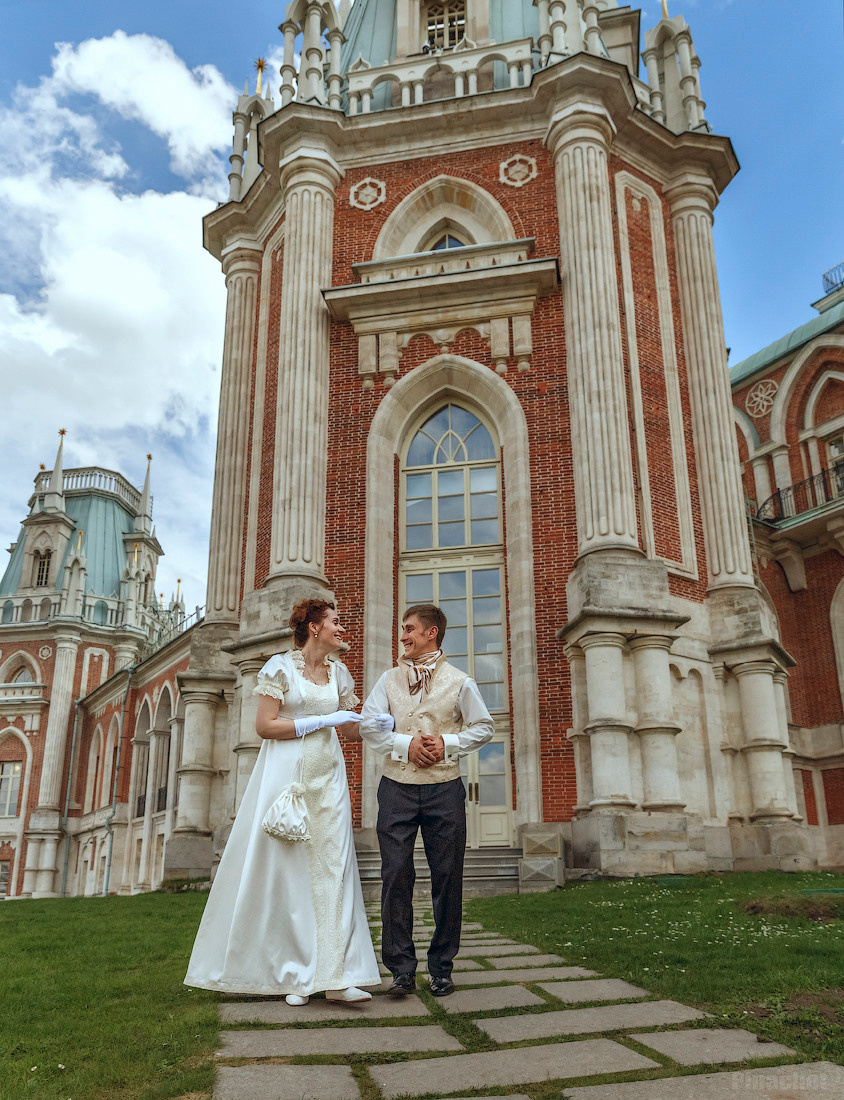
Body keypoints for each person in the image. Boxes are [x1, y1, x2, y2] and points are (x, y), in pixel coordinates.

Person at [184, 598, 380, 1005]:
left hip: (329, 780)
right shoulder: (279, 668)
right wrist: (321, 721)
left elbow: (348, 732)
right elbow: (265, 726)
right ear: (313, 627)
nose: (342, 628)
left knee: (335, 871)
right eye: (335, 622)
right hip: (287, 778)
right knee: (289, 874)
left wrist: (377, 725)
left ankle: (336, 977)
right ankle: (294, 975)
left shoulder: (340, 674)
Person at [360, 603, 494, 997]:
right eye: (403, 629)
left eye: (410, 629)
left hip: (445, 788)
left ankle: (442, 968)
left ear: (431, 633)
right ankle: (401, 969)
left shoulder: (460, 681)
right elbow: (369, 725)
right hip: (396, 787)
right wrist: (406, 744)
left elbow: (484, 726)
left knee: (448, 878)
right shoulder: (387, 680)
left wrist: (448, 743)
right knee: (395, 874)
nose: (403, 636)